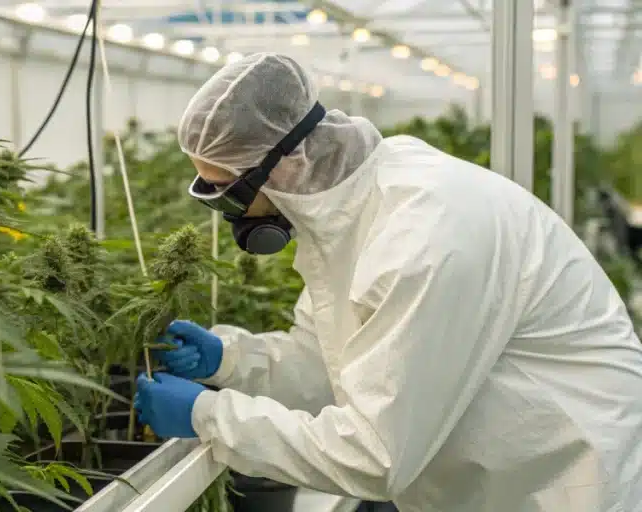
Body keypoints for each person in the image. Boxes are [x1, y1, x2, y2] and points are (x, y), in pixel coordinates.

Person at [132, 52, 642, 511]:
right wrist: (234, 361)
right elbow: (332, 366)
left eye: (227, 195)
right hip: (488, 486)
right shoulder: (347, 213)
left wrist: (209, 416)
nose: (232, 216)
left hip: (569, 487)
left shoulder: (423, 234)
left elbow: (373, 456)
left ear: (281, 166)